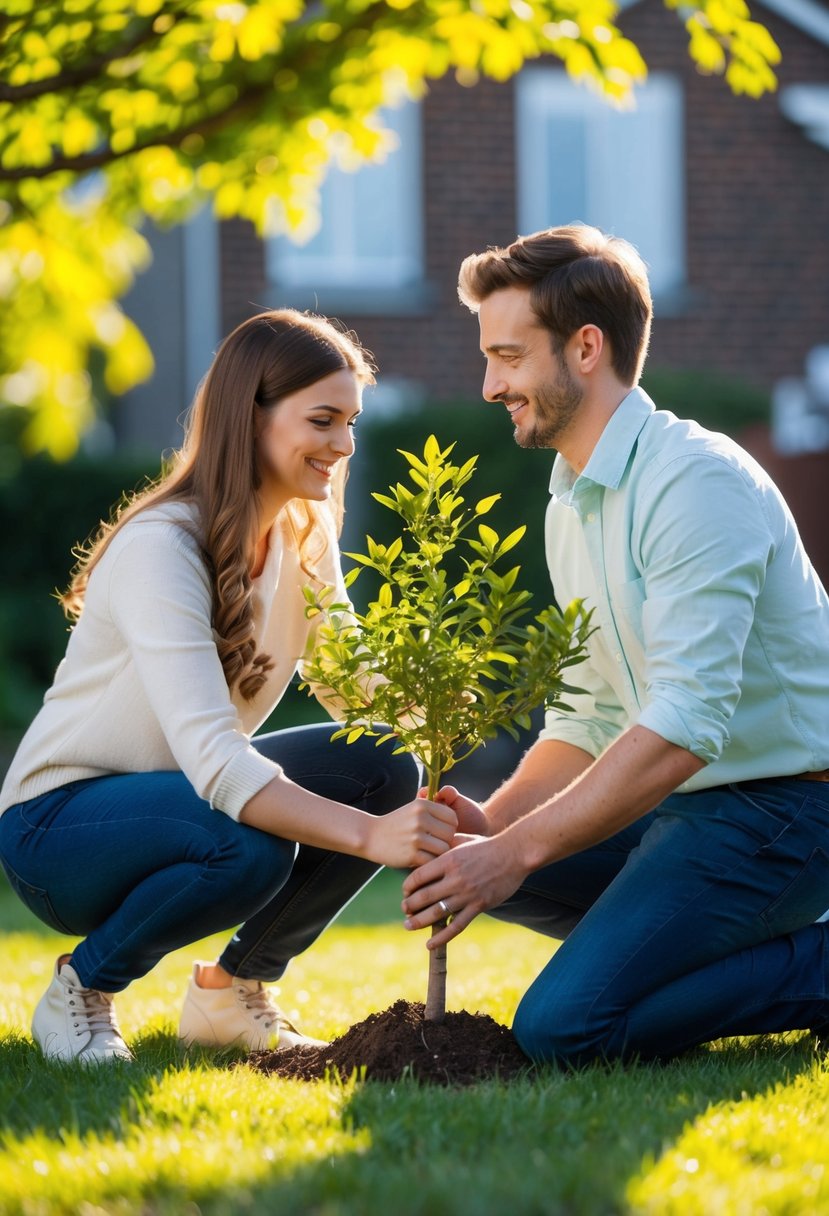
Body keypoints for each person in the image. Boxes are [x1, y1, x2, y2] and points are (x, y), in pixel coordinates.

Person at [401, 224, 829, 1067]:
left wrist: (514, 853)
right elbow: (590, 708)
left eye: (509, 356)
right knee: (496, 869)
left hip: (785, 813)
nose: (490, 384)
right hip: (689, 811)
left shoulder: (695, 482)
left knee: (564, 1028)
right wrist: (496, 824)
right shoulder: (574, 500)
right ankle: (700, 941)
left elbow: (682, 725)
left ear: (585, 346)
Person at [0, 308, 457, 1064]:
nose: (343, 446)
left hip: (180, 801)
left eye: (351, 422)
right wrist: (371, 837)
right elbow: (216, 760)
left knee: (379, 763)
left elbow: (361, 693)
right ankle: (79, 989)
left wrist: (440, 732)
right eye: (323, 420)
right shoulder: (162, 546)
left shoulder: (302, 541)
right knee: (246, 844)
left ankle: (229, 994)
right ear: (251, 418)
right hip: (56, 831)